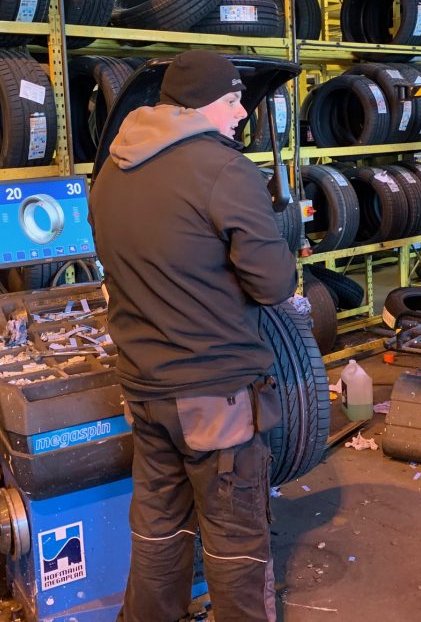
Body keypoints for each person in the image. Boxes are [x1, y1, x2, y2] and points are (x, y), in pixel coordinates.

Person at [89, 50, 297, 622]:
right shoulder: (224, 169)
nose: (239, 116)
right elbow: (274, 284)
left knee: (158, 530)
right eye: (233, 102)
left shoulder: (112, 171)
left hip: (145, 389)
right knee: (235, 536)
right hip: (215, 393)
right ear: (205, 103)